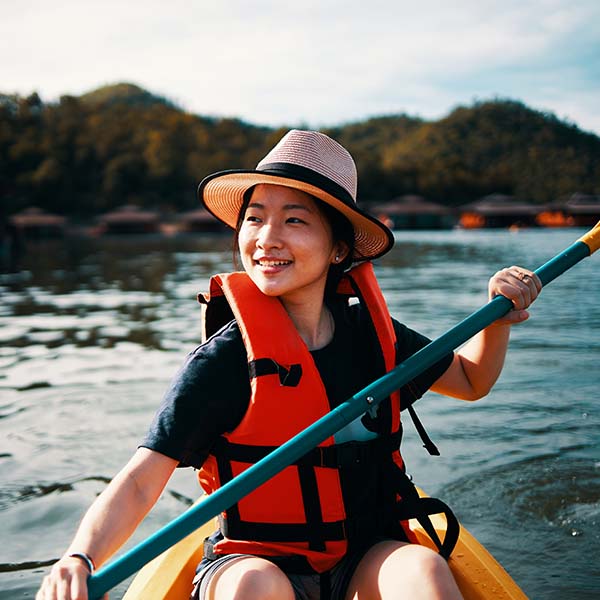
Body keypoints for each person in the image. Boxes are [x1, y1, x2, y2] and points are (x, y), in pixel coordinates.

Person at [37, 130, 541, 600]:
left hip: (364, 553)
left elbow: (472, 380)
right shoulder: (225, 361)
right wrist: (80, 555)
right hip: (252, 558)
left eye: (294, 220)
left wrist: (497, 319)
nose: (266, 238)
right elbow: (143, 479)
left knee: (426, 571)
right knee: (256, 585)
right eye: (254, 217)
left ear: (338, 247)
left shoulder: (374, 338)